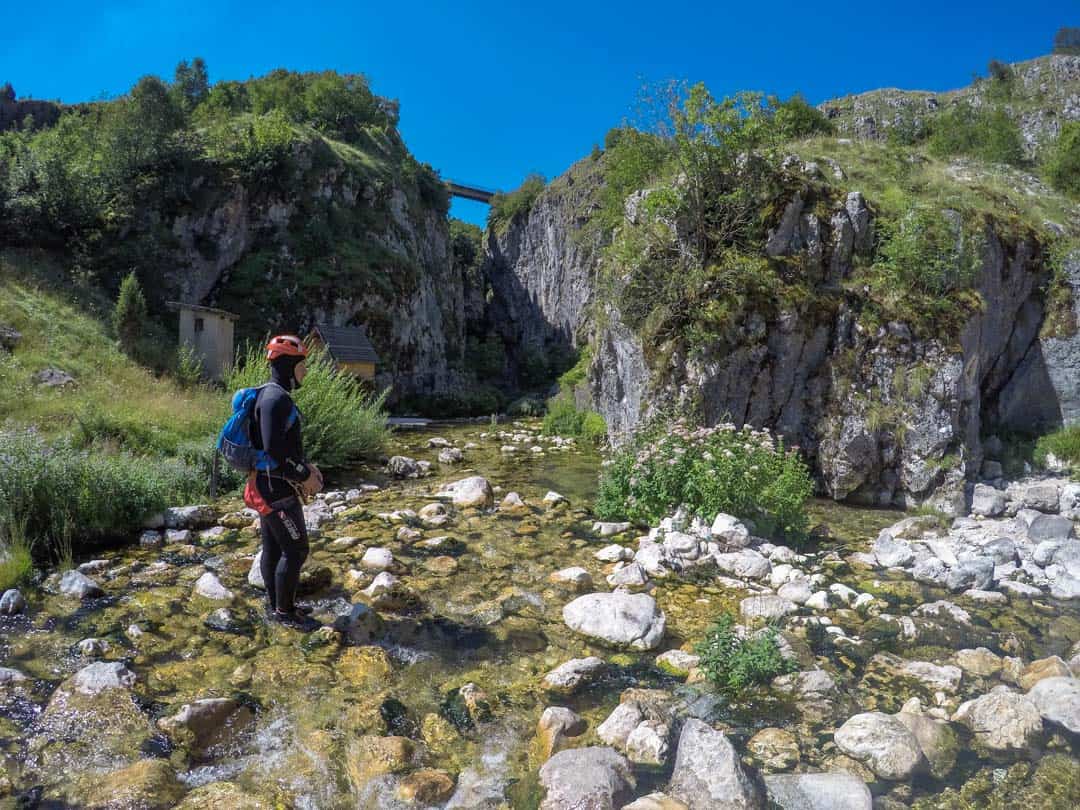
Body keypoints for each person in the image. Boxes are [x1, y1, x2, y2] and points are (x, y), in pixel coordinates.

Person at [244, 334, 323, 630]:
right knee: (296, 550)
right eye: (303, 364)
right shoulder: (275, 398)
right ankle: (284, 613)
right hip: (275, 489)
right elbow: (274, 449)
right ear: (290, 364)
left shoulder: (271, 395)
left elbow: (280, 448)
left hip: (269, 485)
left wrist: (305, 467)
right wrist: (304, 476)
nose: (306, 370)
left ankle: (278, 604)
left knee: (274, 549)